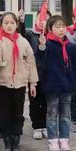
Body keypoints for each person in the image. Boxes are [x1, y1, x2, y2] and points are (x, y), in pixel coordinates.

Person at [0, 12, 39, 151]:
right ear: (1, 25)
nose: (9, 26)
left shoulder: (23, 42)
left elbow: (31, 63)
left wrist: (32, 83)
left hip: (19, 84)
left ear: (17, 24)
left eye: (12, 23)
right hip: (2, 84)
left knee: (17, 113)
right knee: (4, 114)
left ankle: (16, 142)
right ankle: (6, 142)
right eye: (6, 23)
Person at [38, 15, 76, 151]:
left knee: (65, 115)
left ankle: (64, 139)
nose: (61, 29)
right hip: (52, 86)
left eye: (63, 26)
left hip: (67, 86)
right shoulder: (47, 45)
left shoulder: (70, 46)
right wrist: (41, 47)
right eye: (57, 27)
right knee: (52, 114)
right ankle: (53, 140)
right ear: (50, 29)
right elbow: (40, 62)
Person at [25, 8, 51, 140]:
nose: (43, 21)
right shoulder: (31, 35)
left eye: (46, 19)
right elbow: (21, 33)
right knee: (34, 101)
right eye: (41, 18)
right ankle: (37, 126)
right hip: (33, 75)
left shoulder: (51, 36)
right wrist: (20, 21)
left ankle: (45, 125)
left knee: (46, 102)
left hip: (48, 75)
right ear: (36, 20)